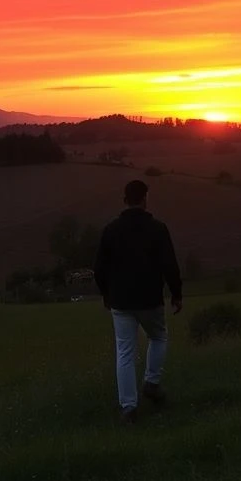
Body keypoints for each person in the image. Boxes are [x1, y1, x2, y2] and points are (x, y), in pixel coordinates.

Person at [93, 179, 183, 424]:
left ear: (125, 200)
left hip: (120, 301)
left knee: (124, 351)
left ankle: (128, 408)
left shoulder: (111, 230)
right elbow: (169, 266)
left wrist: (106, 294)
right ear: (145, 199)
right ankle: (152, 383)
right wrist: (176, 294)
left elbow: (99, 269)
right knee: (159, 337)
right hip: (150, 299)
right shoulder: (158, 228)